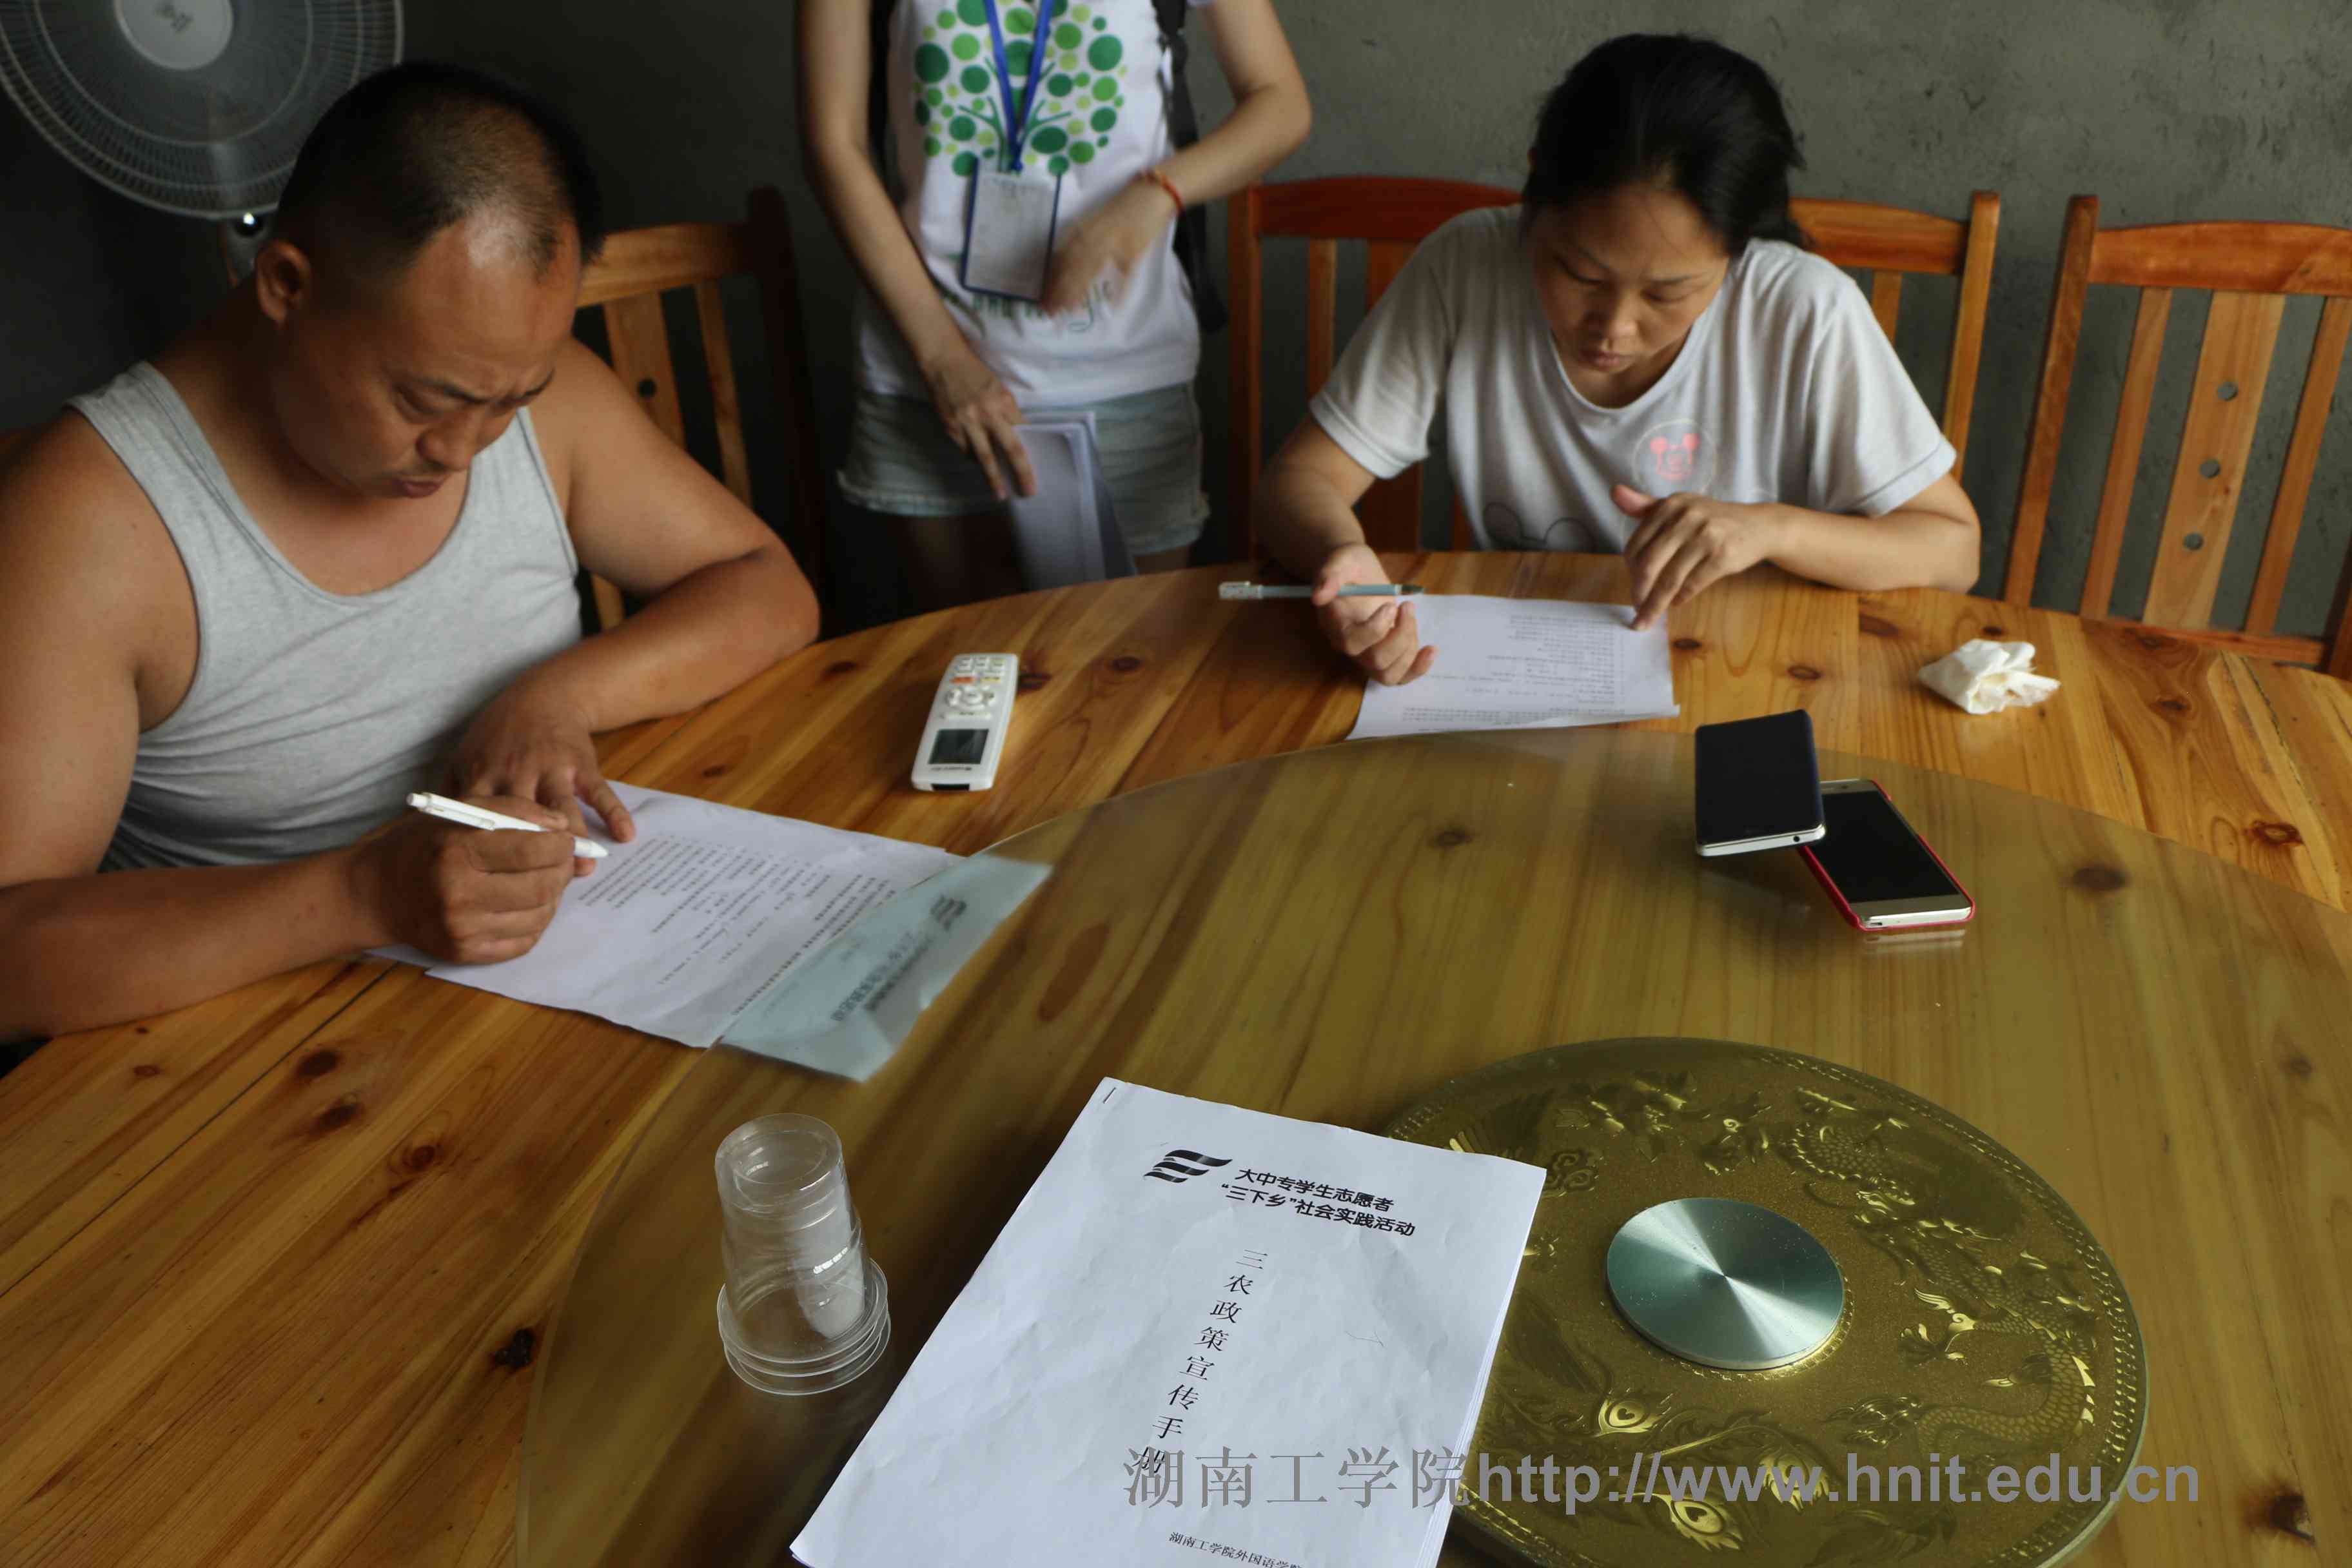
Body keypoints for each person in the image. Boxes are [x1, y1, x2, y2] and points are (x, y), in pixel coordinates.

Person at [0, 64, 819, 1041]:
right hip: (254, 1054)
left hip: (552, 989)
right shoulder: (90, 516)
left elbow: (769, 588)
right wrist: (364, 893)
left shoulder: (537, 400)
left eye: (511, 400)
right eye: (425, 401)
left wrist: (553, 698)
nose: (465, 449)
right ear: (287, 285)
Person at [1253, 33, 1983, 685]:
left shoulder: (1803, 310)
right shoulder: (1466, 269)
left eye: (1669, 292)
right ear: (1533, 193)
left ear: (1738, 250)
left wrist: (1769, 528)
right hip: (1520, 673)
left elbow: (1953, 550)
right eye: (1580, 274)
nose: (1615, 328)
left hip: (1750, 672)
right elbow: (1300, 480)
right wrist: (1340, 557)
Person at [802, 0, 1310, 607]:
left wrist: (1157, 194)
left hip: (1122, 374)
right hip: (926, 379)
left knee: (1129, 654)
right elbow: (834, 144)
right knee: (956, 656)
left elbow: (1280, 101)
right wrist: (941, 359)